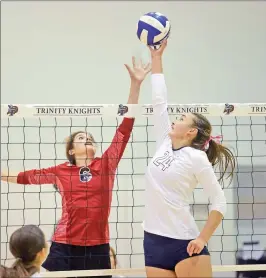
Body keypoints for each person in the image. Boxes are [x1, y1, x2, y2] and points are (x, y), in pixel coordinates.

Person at [1, 58, 151, 276]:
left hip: (98, 246)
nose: (87, 138)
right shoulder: (61, 171)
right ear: (71, 150)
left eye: (90, 137)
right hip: (65, 245)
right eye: (81, 137)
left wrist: (135, 84)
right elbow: (25, 177)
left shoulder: (106, 163)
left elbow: (126, 127)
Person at [143, 40, 236, 278]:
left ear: (191, 131)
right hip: (153, 240)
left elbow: (219, 201)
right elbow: (159, 101)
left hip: (185, 242)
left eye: (182, 117)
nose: (175, 118)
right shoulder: (164, 141)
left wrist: (203, 237)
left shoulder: (196, 158)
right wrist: (156, 58)